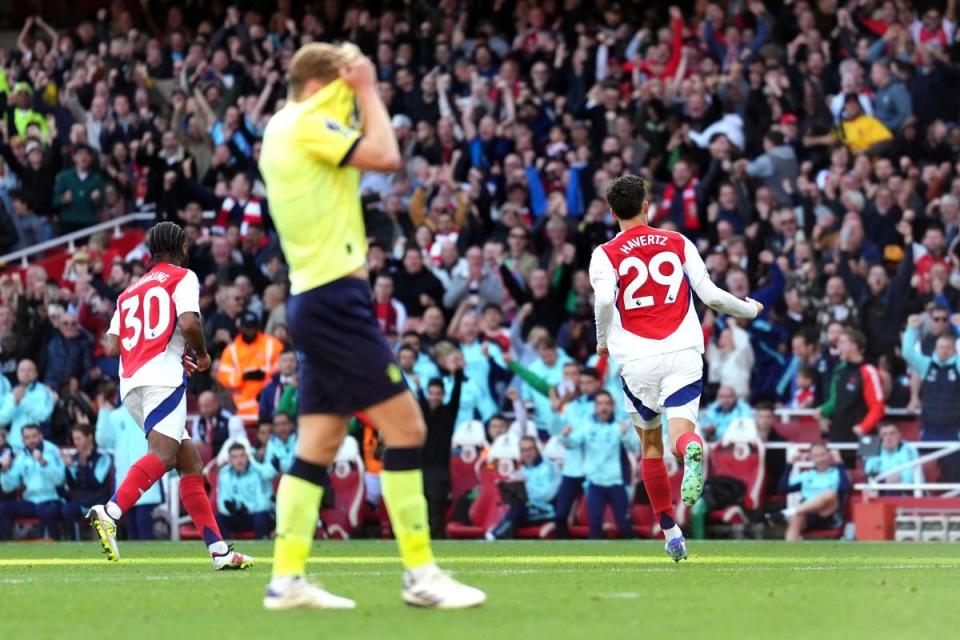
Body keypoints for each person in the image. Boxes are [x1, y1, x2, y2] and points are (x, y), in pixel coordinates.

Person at [258, 43, 484, 609]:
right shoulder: (306, 121)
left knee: (319, 442)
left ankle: (286, 579)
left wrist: (354, 88)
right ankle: (421, 575)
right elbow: (386, 155)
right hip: (335, 298)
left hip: (315, 295)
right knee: (408, 429)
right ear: (321, 85)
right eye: (340, 87)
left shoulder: (283, 128)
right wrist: (365, 85)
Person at [589, 175, 762, 562]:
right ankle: (693, 448)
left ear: (613, 211)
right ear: (647, 205)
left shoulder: (605, 253)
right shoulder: (677, 241)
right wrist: (749, 309)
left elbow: (603, 302)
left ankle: (670, 531)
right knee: (680, 435)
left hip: (637, 358)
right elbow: (713, 297)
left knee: (650, 444)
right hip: (683, 350)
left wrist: (602, 341)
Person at [86, 222, 252, 569]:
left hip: (131, 384)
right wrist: (202, 355)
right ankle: (110, 511)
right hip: (162, 378)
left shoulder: (129, 291)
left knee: (188, 460)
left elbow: (111, 345)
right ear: (181, 246)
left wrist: (153, 343)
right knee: (162, 454)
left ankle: (218, 550)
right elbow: (190, 324)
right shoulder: (183, 277)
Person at [560, 391, 638, 539]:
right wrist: (564, 436)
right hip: (594, 483)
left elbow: (634, 448)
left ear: (612, 406)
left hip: (616, 482)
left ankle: (638, 559)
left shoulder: (620, 426)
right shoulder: (587, 426)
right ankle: (594, 560)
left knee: (624, 525)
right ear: (595, 407)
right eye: (600, 404)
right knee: (594, 526)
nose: (603, 408)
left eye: (607, 404)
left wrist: (625, 434)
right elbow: (572, 444)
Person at [95, 384, 161, 540]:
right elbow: (103, 441)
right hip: (125, 477)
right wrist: (103, 412)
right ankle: (135, 562)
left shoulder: (151, 414)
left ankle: (152, 560)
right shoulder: (115, 416)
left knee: (144, 523)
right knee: (130, 525)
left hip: (148, 477)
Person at [901, 314, 960, 482]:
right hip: (930, 429)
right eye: (941, 347)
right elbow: (907, 352)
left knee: (954, 475)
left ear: (954, 350)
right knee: (927, 474)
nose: (944, 351)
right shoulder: (927, 365)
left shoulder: (958, 366)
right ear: (935, 349)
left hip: (954, 430)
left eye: (948, 347)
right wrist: (912, 329)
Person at [766, 442, 850, 541]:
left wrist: (839, 461)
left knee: (829, 494)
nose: (820, 458)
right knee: (796, 518)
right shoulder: (806, 476)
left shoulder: (837, 472)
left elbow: (846, 487)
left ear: (828, 455)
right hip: (807, 513)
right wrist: (790, 464)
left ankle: (785, 513)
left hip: (828, 513)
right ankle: (788, 551)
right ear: (811, 457)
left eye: (822, 454)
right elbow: (783, 488)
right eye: (816, 455)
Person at [420, 353, 464, 538]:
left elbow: (457, 392)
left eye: (438, 394)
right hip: (420, 466)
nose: (435, 397)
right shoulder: (420, 410)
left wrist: (458, 371)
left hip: (439, 468)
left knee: (437, 508)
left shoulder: (449, 412)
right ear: (427, 393)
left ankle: (437, 540)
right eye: (432, 393)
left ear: (443, 395)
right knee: (420, 507)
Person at [818, 328, 885, 447]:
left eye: (842, 343)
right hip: (839, 434)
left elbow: (878, 406)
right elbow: (835, 401)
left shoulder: (869, 371)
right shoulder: (839, 370)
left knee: (872, 465)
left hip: (866, 436)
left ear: (854, 346)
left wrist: (864, 427)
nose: (838, 347)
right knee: (840, 466)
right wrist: (822, 411)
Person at [486, 436, 561, 539]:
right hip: (524, 512)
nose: (527, 453)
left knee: (518, 508)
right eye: (523, 450)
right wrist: (506, 487)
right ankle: (495, 536)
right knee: (515, 507)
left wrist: (525, 488)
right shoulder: (520, 471)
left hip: (545, 511)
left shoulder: (550, 467)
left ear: (537, 449)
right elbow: (512, 499)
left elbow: (548, 494)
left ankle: (493, 536)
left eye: (530, 449)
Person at [216, 311, 283, 423]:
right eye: (247, 327)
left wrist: (265, 376)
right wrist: (244, 377)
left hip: (268, 409)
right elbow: (224, 377)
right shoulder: (231, 350)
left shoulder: (273, 344)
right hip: (241, 412)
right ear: (241, 327)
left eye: (253, 327)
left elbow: (282, 368)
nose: (250, 330)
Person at [0, 424, 65, 539]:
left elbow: (59, 480)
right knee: (3, 508)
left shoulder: (52, 451)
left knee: (46, 510)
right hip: (30, 502)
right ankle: (5, 548)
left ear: (41, 436)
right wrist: (5, 471)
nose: (31, 440)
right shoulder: (21, 456)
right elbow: (8, 487)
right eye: (27, 437)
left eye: (34, 436)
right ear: (23, 440)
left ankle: (55, 545)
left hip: (52, 499)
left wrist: (43, 462)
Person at [60, 424, 112, 540]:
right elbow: (72, 485)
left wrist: (83, 465)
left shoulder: (102, 457)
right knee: (67, 509)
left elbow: (96, 483)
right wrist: (68, 467)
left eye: (79, 439)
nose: (76, 442)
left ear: (89, 437)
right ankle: (74, 543)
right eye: (74, 439)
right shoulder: (74, 458)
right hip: (81, 500)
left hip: (98, 500)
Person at [217, 443, 275, 539]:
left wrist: (248, 509)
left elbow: (264, 504)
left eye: (242, 456)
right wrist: (231, 510)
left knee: (261, 517)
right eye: (235, 457)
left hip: (255, 516)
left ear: (247, 457)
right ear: (230, 460)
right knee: (219, 518)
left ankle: (262, 545)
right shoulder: (224, 475)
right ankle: (224, 549)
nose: (239, 460)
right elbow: (222, 502)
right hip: (235, 516)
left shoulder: (258, 472)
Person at [0, 359, 55, 450]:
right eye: (22, 370)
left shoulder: (45, 391)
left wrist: (23, 401)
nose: (26, 373)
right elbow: (2, 419)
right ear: (17, 374)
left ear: (36, 374)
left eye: (29, 370)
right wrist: (14, 404)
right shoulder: (12, 393)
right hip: (15, 444)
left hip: (38, 444)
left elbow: (44, 415)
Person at [190, 390, 247, 460]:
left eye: (206, 406)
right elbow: (196, 442)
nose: (203, 410)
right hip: (205, 461)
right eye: (201, 407)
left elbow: (240, 444)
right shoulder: (198, 421)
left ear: (216, 404)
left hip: (226, 459)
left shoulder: (232, 420)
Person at [864, 423, 923, 489]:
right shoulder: (875, 450)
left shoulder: (909, 449)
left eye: (892, 433)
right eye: (884, 434)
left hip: (908, 492)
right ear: (880, 437)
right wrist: (886, 482)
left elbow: (908, 479)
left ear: (899, 435)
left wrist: (886, 482)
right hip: (883, 489)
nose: (888, 438)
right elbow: (869, 474)